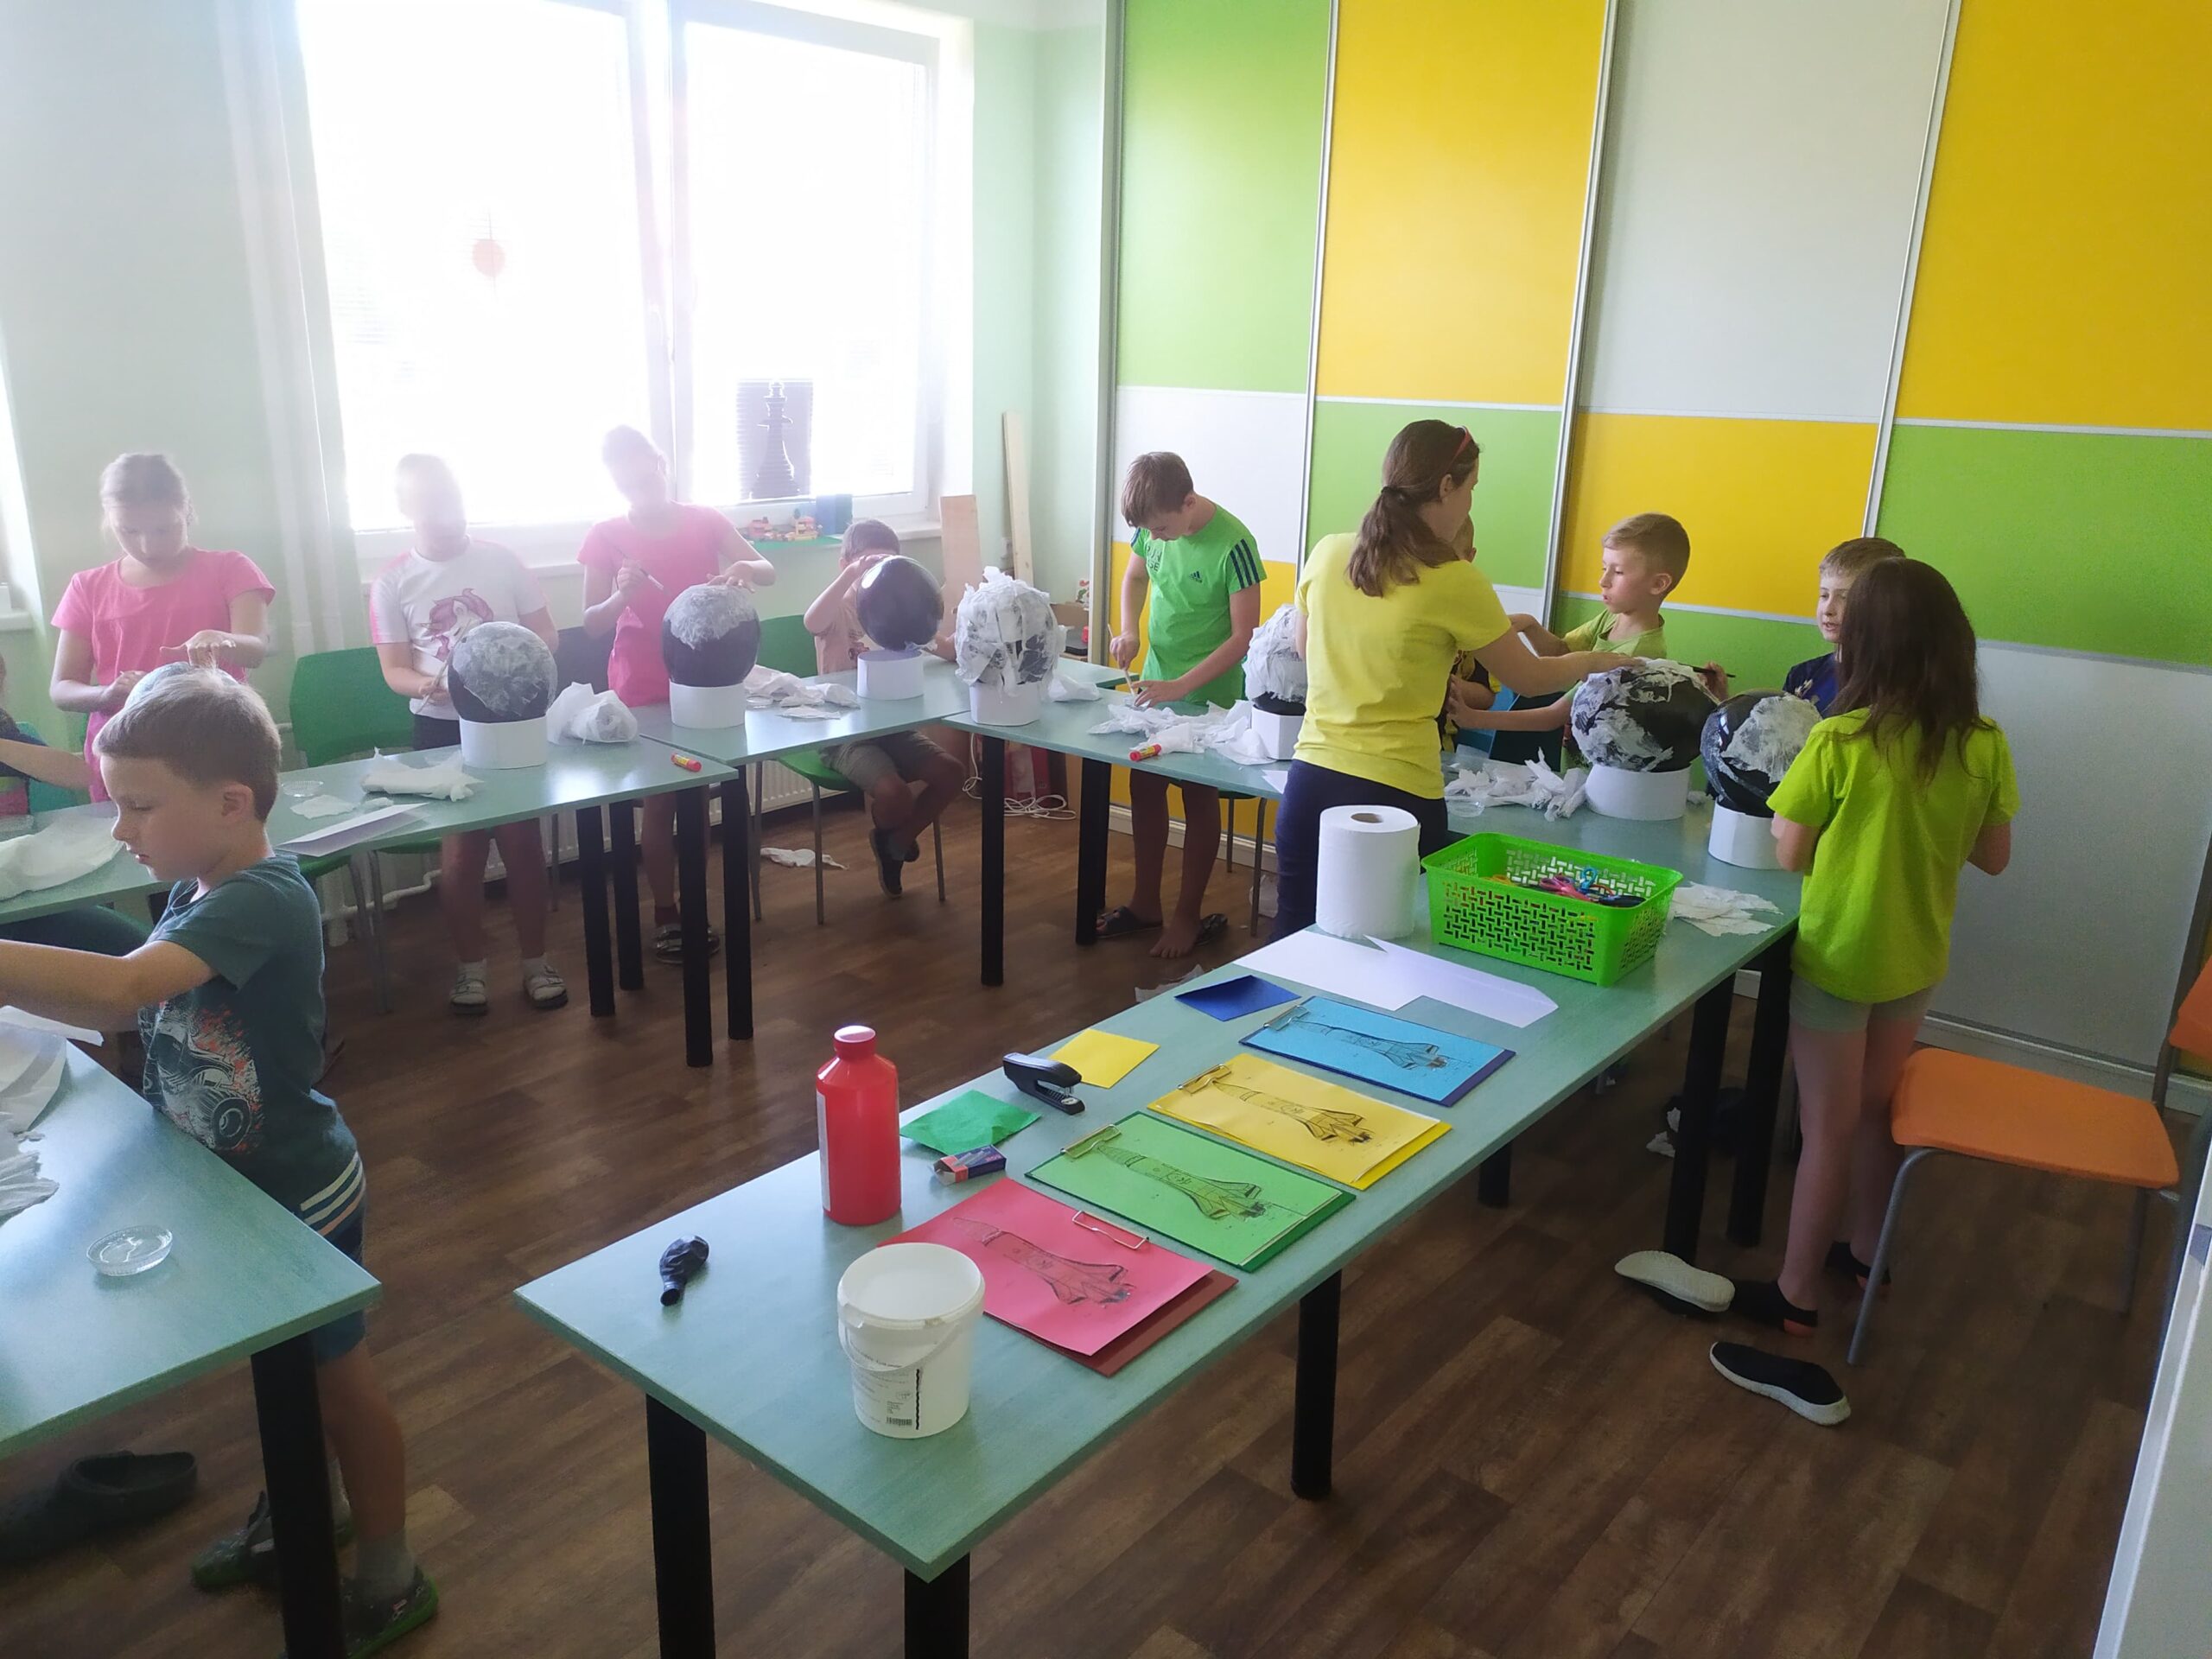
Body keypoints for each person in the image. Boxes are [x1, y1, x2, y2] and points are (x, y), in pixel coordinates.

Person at [0, 666, 436, 1652]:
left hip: (298, 1191)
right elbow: (137, 1006)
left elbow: (128, 991)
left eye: (140, 806)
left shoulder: (264, 897)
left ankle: (389, 1571)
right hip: (233, 1186)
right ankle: (303, 1511)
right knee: (283, 1376)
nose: (121, 829)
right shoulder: (200, 888)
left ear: (231, 804)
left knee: (338, 1385)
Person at [1275, 420, 1630, 938]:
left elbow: (1304, 648)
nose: (1469, 504)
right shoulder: (1454, 579)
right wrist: (1597, 662)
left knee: (1293, 932)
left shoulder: (1329, 551)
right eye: (1471, 489)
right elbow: (1531, 678)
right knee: (1393, 944)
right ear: (1446, 486)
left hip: (1311, 779)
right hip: (1397, 790)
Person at [370, 454, 565, 1014]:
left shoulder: (502, 560)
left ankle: (535, 963)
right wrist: (429, 685)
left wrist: (507, 668)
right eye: (428, 504)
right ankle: (470, 970)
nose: (443, 514)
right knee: (460, 855)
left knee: (524, 846)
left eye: (449, 500)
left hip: (512, 724)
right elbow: (394, 670)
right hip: (441, 729)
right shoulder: (391, 581)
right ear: (406, 508)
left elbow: (547, 637)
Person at [578, 426, 775, 959]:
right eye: (626, 484)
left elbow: (768, 570)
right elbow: (592, 624)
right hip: (642, 688)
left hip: (706, 683)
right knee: (661, 802)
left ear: (661, 465)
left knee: (696, 798)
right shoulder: (605, 535)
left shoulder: (704, 519)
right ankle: (667, 912)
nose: (638, 491)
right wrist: (621, 595)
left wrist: (742, 567)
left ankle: (695, 905)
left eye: (644, 477)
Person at [1102, 453, 1264, 958]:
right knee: (1145, 783)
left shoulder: (1235, 545)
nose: (1157, 538)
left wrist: (1182, 686)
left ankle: (1187, 915)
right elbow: (1134, 579)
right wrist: (1129, 630)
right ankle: (1145, 903)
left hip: (1210, 699)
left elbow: (1244, 637)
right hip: (1159, 686)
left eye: (1163, 529)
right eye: (1150, 532)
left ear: (1189, 503)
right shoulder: (1153, 529)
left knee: (1197, 796)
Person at [48, 454, 274, 803]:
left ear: (186, 510)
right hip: (127, 753)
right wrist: (106, 695)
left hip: (215, 745)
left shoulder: (230, 568)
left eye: (163, 529)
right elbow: (62, 688)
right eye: (129, 531)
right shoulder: (87, 587)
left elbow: (256, 648)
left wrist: (224, 640)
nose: (147, 545)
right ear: (109, 518)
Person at [1452, 512, 1719, 755]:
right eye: (1604, 568)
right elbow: (1562, 653)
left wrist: (1475, 718)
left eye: (1618, 572)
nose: (1603, 581)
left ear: (1658, 583)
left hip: (1601, 766)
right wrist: (1530, 625)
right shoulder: (1611, 617)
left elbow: (1553, 716)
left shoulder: (1640, 654)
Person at [804, 519, 964, 898]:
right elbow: (813, 621)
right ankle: (894, 836)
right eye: (867, 564)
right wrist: (852, 575)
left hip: (893, 728)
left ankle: (895, 842)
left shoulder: (899, 612)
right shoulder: (841, 610)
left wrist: (972, 623)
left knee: (951, 773)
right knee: (895, 794)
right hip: (845, 734)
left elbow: (947, 649)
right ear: (845, 564)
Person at [1783, 536, 1905, 714]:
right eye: (1824, 595)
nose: (1828, 609)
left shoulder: (1896, 683)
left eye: (1845, 597)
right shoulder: (1802, 674)